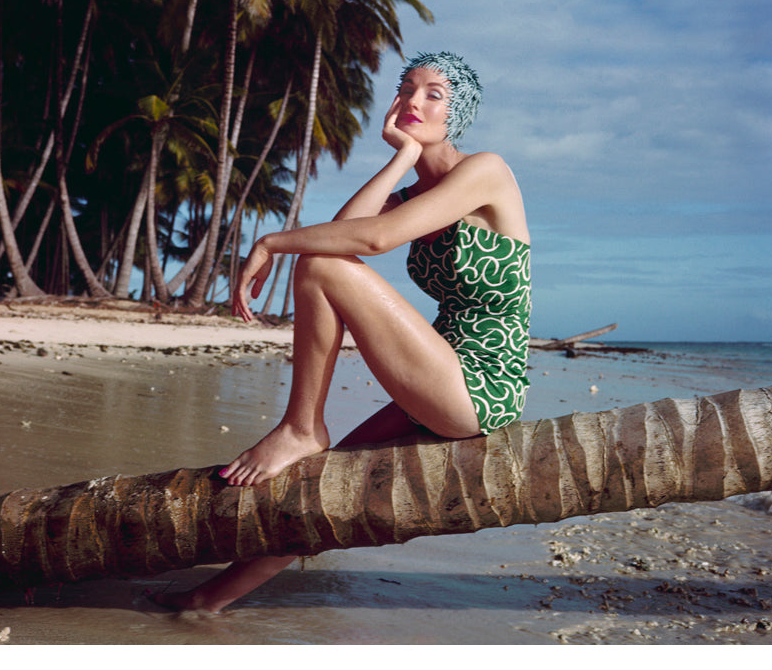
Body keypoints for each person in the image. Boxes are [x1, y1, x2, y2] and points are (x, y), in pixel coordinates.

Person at [150, 51, 531, 613]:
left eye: (434, 94)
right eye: (406, 88)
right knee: (323, 483)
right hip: (442, 371)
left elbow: (372, 241)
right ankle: (208, 600)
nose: (413, 101)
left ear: (460, 114)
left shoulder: (485, 171)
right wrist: (403, 158)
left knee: (320, 264)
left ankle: (301, 426)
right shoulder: (415, 193)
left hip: (482, 384)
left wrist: (270, 243)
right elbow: (346, 230)